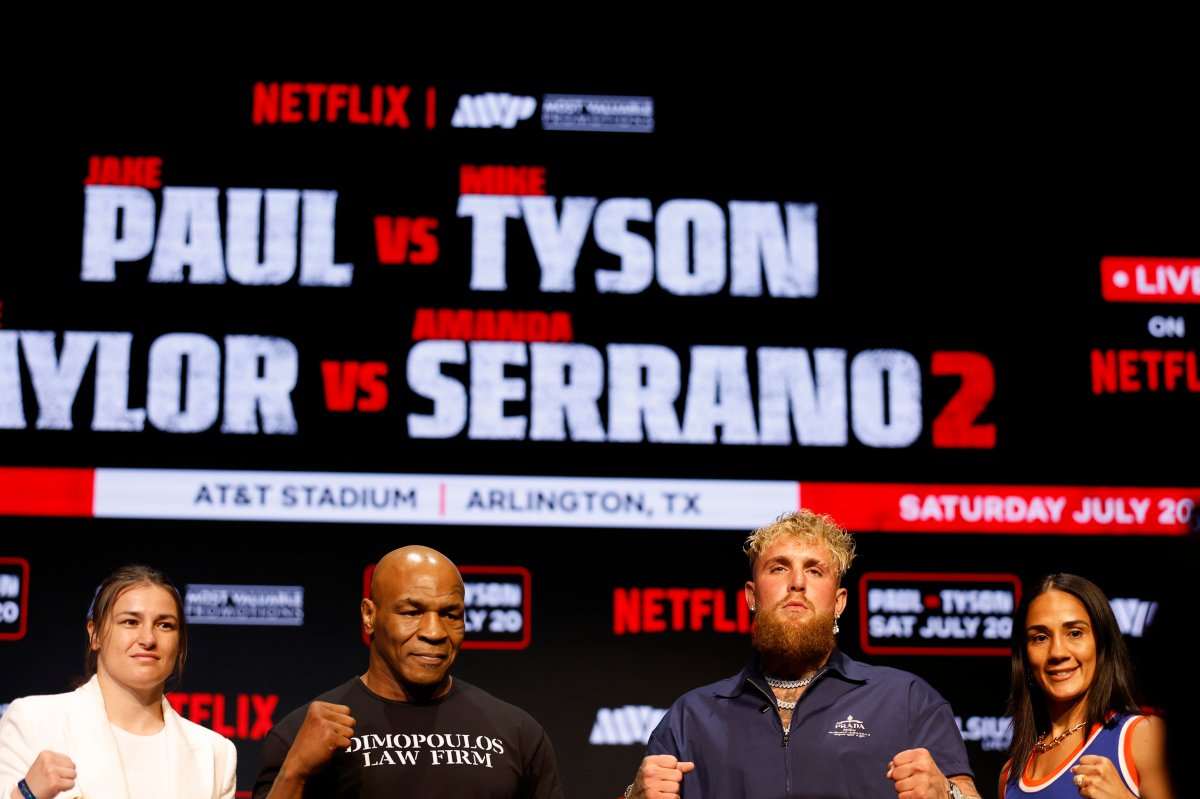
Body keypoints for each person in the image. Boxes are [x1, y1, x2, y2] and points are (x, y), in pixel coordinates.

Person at [625, 509, 980, 799]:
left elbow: (966, 794)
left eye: (814, 569)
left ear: (839, 602)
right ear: (751, 595)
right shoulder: (692, 716)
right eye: (779, 568)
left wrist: (948, 794)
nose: (796, 582)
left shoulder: (906, 699)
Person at [253, 544, 564, 799]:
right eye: (412, 612)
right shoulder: (300, 734)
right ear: (369, 616)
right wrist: (295, 772)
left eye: (450, 614)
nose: (434, 632)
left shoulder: (518, 734)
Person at [0, 563, 237, 799]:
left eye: (165, 625)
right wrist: (27, 795)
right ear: (95, 634)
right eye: (130, 622)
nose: (148, 639)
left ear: (179, 643)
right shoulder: (33, 722)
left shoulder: (215, 754)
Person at [999, 573, 1174, 799]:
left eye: (1075, 633)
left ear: (1101, 644)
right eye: (1040, 637)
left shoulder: (1143, 737)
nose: (1057, 652)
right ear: (1025, 655)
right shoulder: (1010, 775)